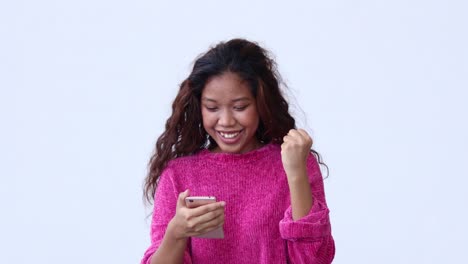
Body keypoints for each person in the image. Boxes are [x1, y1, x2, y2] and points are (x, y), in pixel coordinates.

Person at [141, 38, 335, 264]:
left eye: (240, 107)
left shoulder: (295, 162)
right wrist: (176, 233)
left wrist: (295, 172)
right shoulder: (178, 175)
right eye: (212, 108)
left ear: (261, 102)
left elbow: (315, 259)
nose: (226, 121)